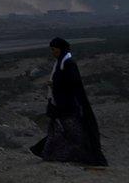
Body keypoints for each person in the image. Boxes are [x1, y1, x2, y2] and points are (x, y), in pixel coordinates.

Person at [30, 38, 108, 167]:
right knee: (56, 132)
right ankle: (48, 154)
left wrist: (55, 84)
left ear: (60, 49)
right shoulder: (60, 62)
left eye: (54, 50)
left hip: (67, 106)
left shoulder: (68, 63)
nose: (53, 52)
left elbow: (72, 85)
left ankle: (84, 157)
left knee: (75, 135)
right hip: (60, 106)